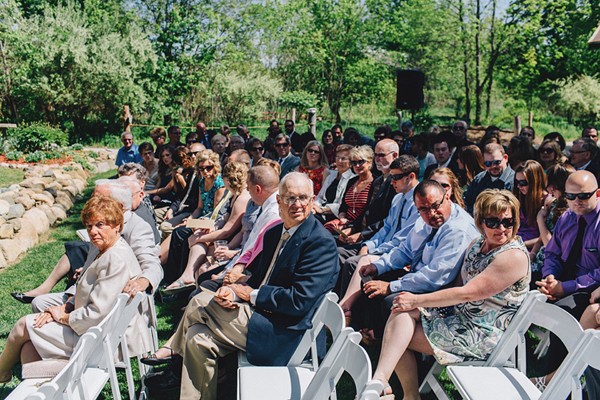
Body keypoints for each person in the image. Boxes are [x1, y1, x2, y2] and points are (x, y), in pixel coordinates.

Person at [146, 172, 339, 399]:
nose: (297, 204)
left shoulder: (320, 243)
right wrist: (234, 293)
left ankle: (171, 350)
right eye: (290, 198)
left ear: (312, 200)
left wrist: (250, 295)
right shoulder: (275, 232)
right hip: (261, 315)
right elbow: (257, 278)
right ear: (279, 201)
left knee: (199, 301)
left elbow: (299, 301)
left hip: (286, 333)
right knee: (197, 337)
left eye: (303, 198)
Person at [370, 189, 529, 399]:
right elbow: (457, 285)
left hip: (481, 334)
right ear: (481, 222)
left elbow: (466, 294)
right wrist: (418, 304)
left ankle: (390, 388)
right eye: (493, 222)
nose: (501, 229)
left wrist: (417, 300)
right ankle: (389, 385)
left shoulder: (512, 257)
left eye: (507, 222)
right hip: (458, 318)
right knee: (400, 313)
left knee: (397, 336)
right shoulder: (476, 245)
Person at [0, 196, 151, 384]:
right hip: (99, 332)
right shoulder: (109, 250)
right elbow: (90, 297)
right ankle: (41, 390)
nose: (93, 232)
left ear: (117, 226)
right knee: (28, 346)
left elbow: (96, 313)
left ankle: (1, 372)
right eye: (89, 226)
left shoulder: (115, 259)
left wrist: (61, 317)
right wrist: (64, 307)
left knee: (23, 325)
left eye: (100, 225)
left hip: (101, 342)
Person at [338, 180, 479, 341]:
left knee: (391, 300)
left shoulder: (458, 230)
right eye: (423, 209)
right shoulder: (425, 221)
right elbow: (405, 250)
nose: (431, 213)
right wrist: (378, 266)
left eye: (435, 206)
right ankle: (357, 333)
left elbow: (435, 277)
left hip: (441, 291)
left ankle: (385, 342)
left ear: (447, 197)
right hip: (419, 277)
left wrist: (391, 287)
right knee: (370, 280)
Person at [14, 180, 162, 306]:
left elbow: (153, 265)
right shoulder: (98, 227)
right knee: (39, 303)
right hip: (88, 290)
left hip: (112, 297)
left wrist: (143, 281)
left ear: (119, 205)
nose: (91, 202)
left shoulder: (137, 226)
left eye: (98, 198)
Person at [337, 156, 421, 299]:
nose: (392, 181)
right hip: (382, 247)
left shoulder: (418, 203)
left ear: (410, 176)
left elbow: (402, 240)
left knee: (353, 263)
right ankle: (331, 298)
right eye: (391, 176)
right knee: (339, 252)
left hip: (396, 254)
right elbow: (386, 229)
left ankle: (348, 310)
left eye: (396, 177)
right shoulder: (397, 198)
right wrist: (368, 246)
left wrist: (373, 251)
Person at [163, 162, 250, 293]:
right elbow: (223, 219)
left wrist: (201, 237)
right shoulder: (233, 194)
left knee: (195, 241)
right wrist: (209, 227)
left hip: (232, 241)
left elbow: (228, 231)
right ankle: (186, 277)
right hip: (224, 233)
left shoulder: (242, 199)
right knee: (188, 234)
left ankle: (187, 281)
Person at [530, 163, 575, 283]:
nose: (548, 189)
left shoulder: (568, 212)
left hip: (551, 265)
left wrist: (540, 221)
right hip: (539, 258)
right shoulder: (554, 204)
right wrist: (533, 253)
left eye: (550, 185)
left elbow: (551, 245)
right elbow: (542, 236)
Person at [324, 145, 374, 235]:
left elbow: (370, 211)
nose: (357, 165)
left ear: (369, 162)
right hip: (343, 223)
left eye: (361, 162)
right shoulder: (352, 181)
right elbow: (343, 206)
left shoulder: (375, 183)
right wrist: (342, 217)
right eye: (354, 163)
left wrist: (352, 227)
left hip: (359, 227)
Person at [464, 143, 515, 215]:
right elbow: (467, 203)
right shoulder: (479, 179)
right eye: (488, 163)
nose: (493, 166)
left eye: (497, 162)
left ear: (506, 158)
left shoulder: (515, 182)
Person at [312, 144, 356, 222]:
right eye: (337, 157)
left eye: (343, 159)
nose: (339, 161)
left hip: (335, 217)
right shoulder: (331, 176)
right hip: (320, 212)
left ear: (351, 162)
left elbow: (342, 205)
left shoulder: (353, 179)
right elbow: (320, 197)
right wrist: (314, 207)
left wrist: (322, 210)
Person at [513, 160, 547, 249]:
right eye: (517, 182)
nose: (519, 186)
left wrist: (522, 244)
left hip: (532, 248)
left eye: (523, 183)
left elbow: (546, 236)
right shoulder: (520, 198)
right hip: (514, 242)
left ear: (535, 182)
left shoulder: (547, 202)